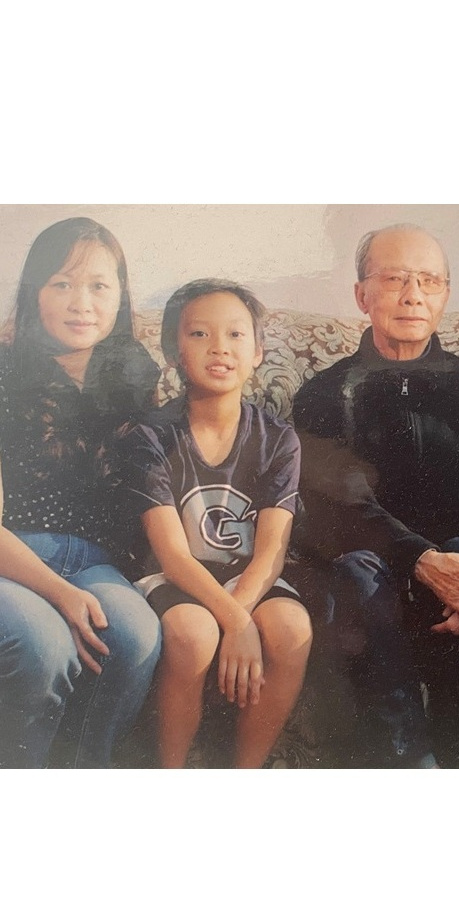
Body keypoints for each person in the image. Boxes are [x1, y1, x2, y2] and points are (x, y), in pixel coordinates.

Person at [0, 217, 165, 768]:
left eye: (99, 286)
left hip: (92, 563)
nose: (82, 304)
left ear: (121, 294)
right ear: (35, 292)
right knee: (41, 644)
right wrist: (59, 593)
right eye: (62, 284)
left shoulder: (132, 374)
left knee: (136, 636)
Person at [291, 224, 459, 767]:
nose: (413, 295)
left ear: (446, 294)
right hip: (371, 582)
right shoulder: (325, 394)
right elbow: (341, 505)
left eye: (429, 281)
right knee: (356, 571)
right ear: (362, 295)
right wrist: (421, 559)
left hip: (456, 583)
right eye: (395, 279)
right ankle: (407, 762)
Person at [116, 280, 312, 768]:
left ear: (258, 352)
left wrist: (239, 612)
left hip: (247, 575)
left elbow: (271, 553)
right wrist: (236, 621)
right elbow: (172, 556)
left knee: (292, 629)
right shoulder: (151, 436)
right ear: (173, 353)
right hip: (176, 576)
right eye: (200, 334)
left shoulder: (278, 439)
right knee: (193, 633)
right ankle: (172, 770)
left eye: (236, 334)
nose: (220, 347)